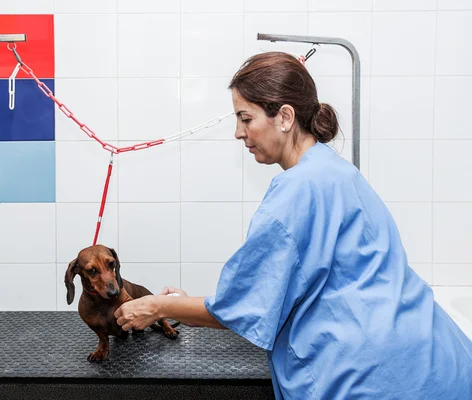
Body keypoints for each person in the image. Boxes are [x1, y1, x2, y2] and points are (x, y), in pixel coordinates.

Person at [114, 52, 472, 399]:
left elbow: (240, 306)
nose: (239, 132)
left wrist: (155, 307)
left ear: (284, 117)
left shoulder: (296, 190)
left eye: (246, 118)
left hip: (372, 376)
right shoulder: (336, 171)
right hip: (437, 358)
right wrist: (183, 304)